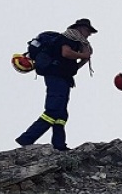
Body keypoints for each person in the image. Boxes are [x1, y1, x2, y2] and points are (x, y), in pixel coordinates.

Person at [16, 18, 96, 151]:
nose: (89, 34)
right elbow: (66, 52)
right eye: (88, 31)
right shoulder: (67, 38)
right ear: (81, 28)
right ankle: (27, 138)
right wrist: (82, 54)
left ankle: (59, 145)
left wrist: (84, 57)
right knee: (53, 111)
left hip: (64, 78)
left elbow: (74, 66)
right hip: (56, 76)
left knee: (61, 114)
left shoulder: (76, 42)